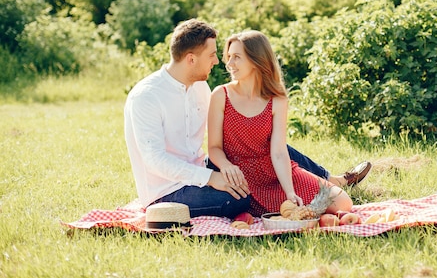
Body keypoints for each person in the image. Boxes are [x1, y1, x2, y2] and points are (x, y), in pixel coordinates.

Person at [124, 19, 370, 219]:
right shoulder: (147, 97)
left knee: (268, 144)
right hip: (168, 190)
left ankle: (332, 180)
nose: (218, 61)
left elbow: (244, 131)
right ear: (191, 59)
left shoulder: (199, 88)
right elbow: (155, 160)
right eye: (212, 55)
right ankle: (273, 197)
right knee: (239, 197)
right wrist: (212, 178)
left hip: (200, 169)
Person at [207, 30, 353, 216]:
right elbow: (213, 147)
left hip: (273, 172)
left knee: (343, 203)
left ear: (256, 60)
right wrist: (226, 166)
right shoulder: (221, 95)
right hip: (240, 179)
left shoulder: (276, 99)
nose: (229, 64)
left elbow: (278, 152)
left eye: (236, 57)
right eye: (229, 57)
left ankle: (299, 209)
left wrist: (290, 192)